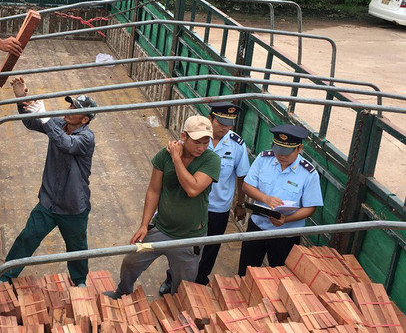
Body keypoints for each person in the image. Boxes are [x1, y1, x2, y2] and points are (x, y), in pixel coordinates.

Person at [104, 115, 221, 299]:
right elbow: (153, 190)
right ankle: (122, 292)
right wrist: (144, 225)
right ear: (184, 136)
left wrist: (177, 159)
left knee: (184, 285)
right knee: (131, 261)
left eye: (206, 142)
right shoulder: (163, 156)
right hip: (159, 230)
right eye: (197, 142)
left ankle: (177, 312)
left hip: (189, 238)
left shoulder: (211, 160)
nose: (201, 147)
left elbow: (192, 189)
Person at [0, 77, 98, 287]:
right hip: (49, 201)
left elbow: (66, 144)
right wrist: (22, 99)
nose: (69, 109)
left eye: (75, 108)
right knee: (27, 238)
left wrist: (45, 120)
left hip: (73, 206)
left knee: (77, 248)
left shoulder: (87, 138)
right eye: (71, 104)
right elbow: (31, 121)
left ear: (84, 120)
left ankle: (79, 282)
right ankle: (5, 277)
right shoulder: (59, 124)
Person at [158, 102, 250, 294]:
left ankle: (198, 283)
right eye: (221, 122)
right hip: (193, 206)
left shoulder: (237, 145)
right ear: (210, 119)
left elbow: (242, 176)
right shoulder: (193, 141)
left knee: (210, 250)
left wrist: (240, 203)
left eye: (230, 124)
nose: (226, 128)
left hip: (218, 208)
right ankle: (172, 279)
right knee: (183, 247)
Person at [238, 124, 323, 276]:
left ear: (299, 148)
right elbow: (247, 186)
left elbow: (311, 208)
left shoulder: (308, 173)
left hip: (285, 236)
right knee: (246, 273)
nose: (281, 156)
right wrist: (265, 198)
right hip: (257, 227)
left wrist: (286, 219)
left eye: (287, 153)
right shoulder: (264, 159)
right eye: (278, 151)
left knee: (280, 278)